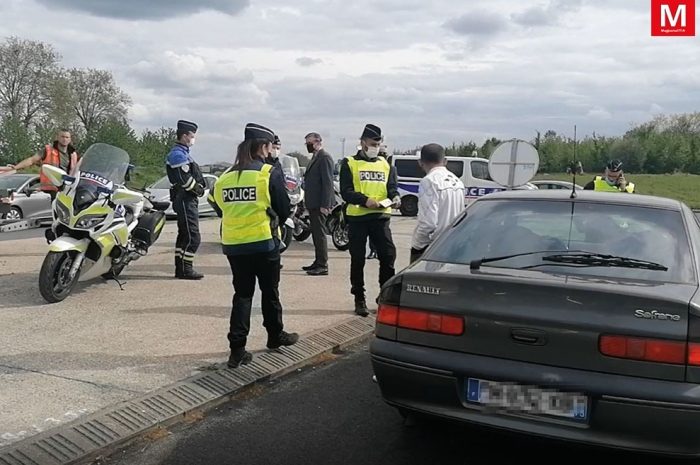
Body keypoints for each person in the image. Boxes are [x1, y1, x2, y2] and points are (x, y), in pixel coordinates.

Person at [208, 122, 299, 368]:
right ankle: (275, 336)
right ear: (263, 146)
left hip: (234, 245)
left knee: (242, 295)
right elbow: (284, 208)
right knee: (270, 292)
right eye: (270, 147)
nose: (271, 152)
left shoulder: (224, 177)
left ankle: (237, 350)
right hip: (263, 243)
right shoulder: (268, 173)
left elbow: (215, 203)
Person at [339, 124, 400, 316]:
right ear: (363, 142)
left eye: (378, 144)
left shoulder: (386, 164)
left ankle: (384, 294)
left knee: (388, 255)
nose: (375, 147)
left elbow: (391, 187)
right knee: (358, 260)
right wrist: (365, 200)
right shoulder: (349, 163)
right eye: (372, 143)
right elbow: (346, 191)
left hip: (381, 217)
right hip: (358, 218)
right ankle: (359, 298)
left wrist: (395, 196)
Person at [410, 143, 466, 263]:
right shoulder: (457, 182)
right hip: (453, 244)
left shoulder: (429, 181)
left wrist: (417, 245)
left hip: (435, 247)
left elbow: (428, 223)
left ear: (420, 162)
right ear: (445, 161)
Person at [166, 120, 206, 280]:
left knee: (184, 235)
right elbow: (185, 179)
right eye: (192, 136)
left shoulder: (183, 153)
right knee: (192, 236)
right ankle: (186, 269)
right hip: (185, 199)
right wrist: (199, 189)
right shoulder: (177, 155)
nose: (193, 139)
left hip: (186, 199)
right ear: (184, 136)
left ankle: (181, 269)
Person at [0, 129, 79, 200]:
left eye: (67, 137)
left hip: (66, 189)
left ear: (70, 139)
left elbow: (75, 170)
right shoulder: (48, 150)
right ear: (57, 137)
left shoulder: (73, 154)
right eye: (62, 136)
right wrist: (16, 167)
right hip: (50, 190)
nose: (64, 139)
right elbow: (31, 160)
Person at [301, 132, 335, 276]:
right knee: (315, 234)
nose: (308, 146)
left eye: (309, 142)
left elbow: (327, 183)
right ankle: (318, 261)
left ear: (317, 142)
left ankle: (322, 264)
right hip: (313, 203)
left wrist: (325, 204)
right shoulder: (315, 158)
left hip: (320, 203)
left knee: (320, 234)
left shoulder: (324, 158)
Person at [367, 144, 389, 260]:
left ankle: (381, 251)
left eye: (384, 154)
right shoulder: (370, 167)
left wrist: (394, 198)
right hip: (370, 205)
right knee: (371, 232)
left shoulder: (390, 168)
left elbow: (392, 187)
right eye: (380, 154)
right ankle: (373, 250)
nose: (382, 157)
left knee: (383, 234)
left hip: (384, 208)